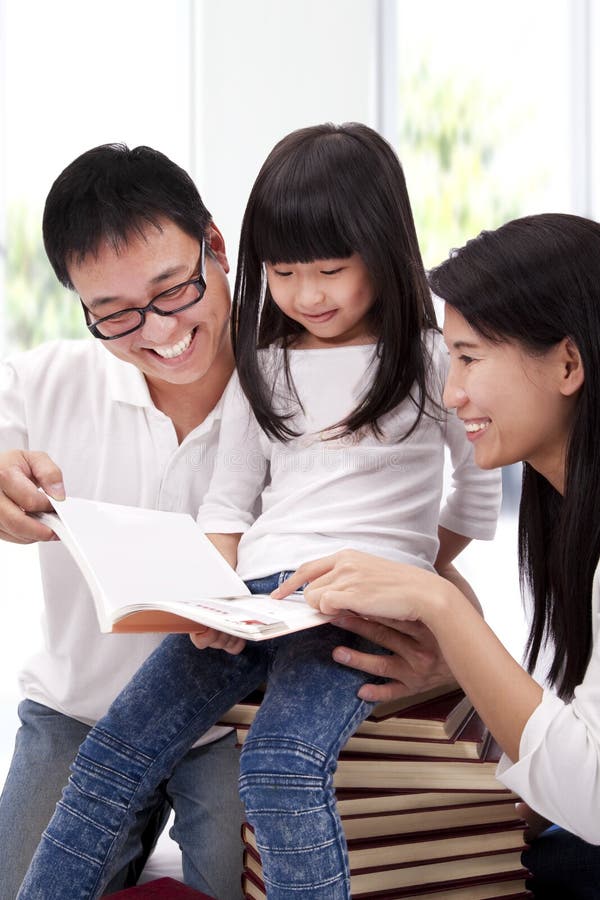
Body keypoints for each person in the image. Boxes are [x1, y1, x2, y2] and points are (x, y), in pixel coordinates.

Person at [17, 122, 500, 900]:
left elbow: (477, 493)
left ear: (383, 251)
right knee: (111, 752)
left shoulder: (435, 358)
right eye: (283, 271)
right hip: (252, 599)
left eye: (332, 270)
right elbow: (230, 499)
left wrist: (413, 574)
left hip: (353, 602)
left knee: (282, 763)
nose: (308, 294)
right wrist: (211, 596)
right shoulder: (265, 363)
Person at [276, 212, 600, 900]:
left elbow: (594, 791)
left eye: (472, 357)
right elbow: (573, 732)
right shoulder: (567, 512)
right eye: (450, 357)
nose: (451, 394)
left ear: (569, 363)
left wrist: (441, 603)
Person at [0, 143, 246, 899]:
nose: (158, 331)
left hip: (237, 720)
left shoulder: (296, 389)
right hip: (80, 712)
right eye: (115, 314)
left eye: (173, 290)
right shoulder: (46, 383)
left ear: (215, 244)